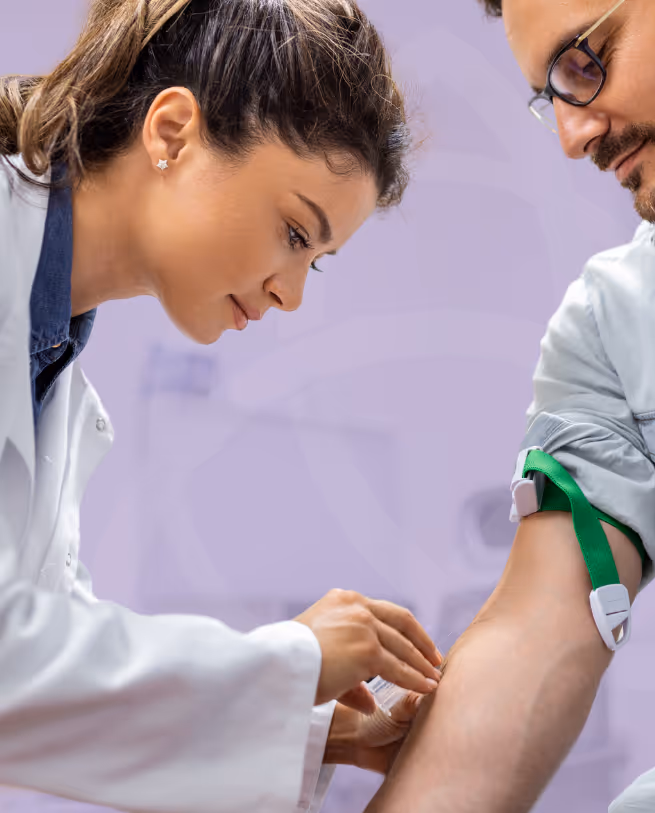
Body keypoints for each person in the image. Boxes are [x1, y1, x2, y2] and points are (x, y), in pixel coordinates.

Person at [362, 0, 655, 811]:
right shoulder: (615, 319)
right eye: (552, 95)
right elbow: (537, 631)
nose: (573, 137)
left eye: (585, 62)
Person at [0, 1, 445, 811]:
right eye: (292, 232)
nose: (292, 292)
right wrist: (291, 658)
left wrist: (320, 732)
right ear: (172, 132)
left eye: (319, 260)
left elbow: (44, 687)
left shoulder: (47, 353)